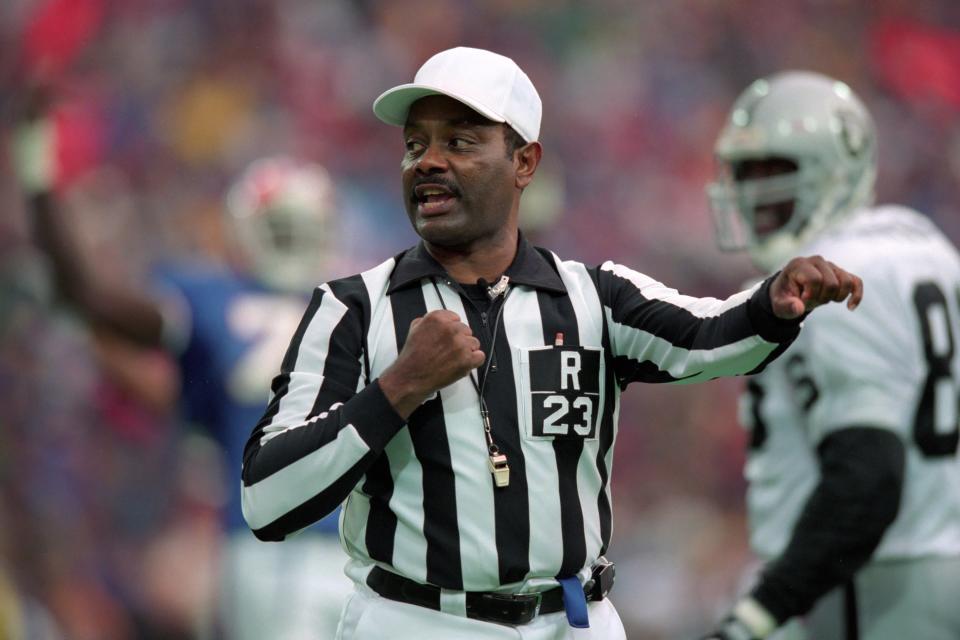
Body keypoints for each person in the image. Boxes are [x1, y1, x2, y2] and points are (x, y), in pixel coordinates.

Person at [237, 47, 862, 640]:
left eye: (458, 141)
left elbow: (709, 334)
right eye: (414, 145)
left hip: (572, 621)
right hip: (416, 620)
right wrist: (399, 386)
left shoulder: (594, 296)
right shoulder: (353, 307)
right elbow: (267, 500)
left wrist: (775, 301)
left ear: (525, 163)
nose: (427, 161)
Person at [10, 103, 352, 638]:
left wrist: (37, 176)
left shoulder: (212, 300)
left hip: (271, 556)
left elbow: (87, 293)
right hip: (360, 559)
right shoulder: (364, 306)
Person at [701, 71, 960, 640]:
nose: (750, 191)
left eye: (774, 170)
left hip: (865, 583)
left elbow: (866, 479)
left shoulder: (833, 275)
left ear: (832, 168)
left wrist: (757, 614)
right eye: (743, 171)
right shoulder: (928, 247)